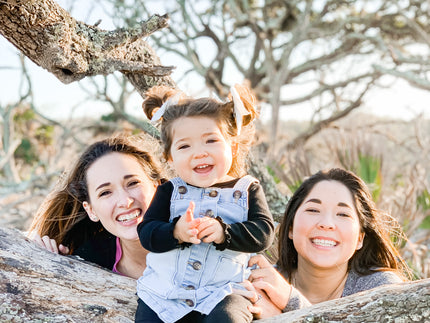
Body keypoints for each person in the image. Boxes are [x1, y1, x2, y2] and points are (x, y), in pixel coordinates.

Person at [135, 85, 275, 323]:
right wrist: (175, 231)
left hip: (224, 293)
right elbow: (147, 233)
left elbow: (264, 233)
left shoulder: (246, 189)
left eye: (210, 140)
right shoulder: (170, 190)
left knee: (228, 318)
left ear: (231, 145)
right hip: (165, 293)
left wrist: (224, 232)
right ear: (170, 156)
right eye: (184, 146)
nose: (199, 153)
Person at [236, 168, 412, 319]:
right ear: (290, 228)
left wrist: (288, 308)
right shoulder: (259, 284)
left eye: (343, 214)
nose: (326, 223)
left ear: (360, 238)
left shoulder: (380, 288)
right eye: (313, 210)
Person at [28, 134, 166, 279]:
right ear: (91, 210)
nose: (125, 202)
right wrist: (45, 261)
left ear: (156, 185)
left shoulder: (190, 229)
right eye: (105, 192)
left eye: (132, 183)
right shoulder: (88, 261)